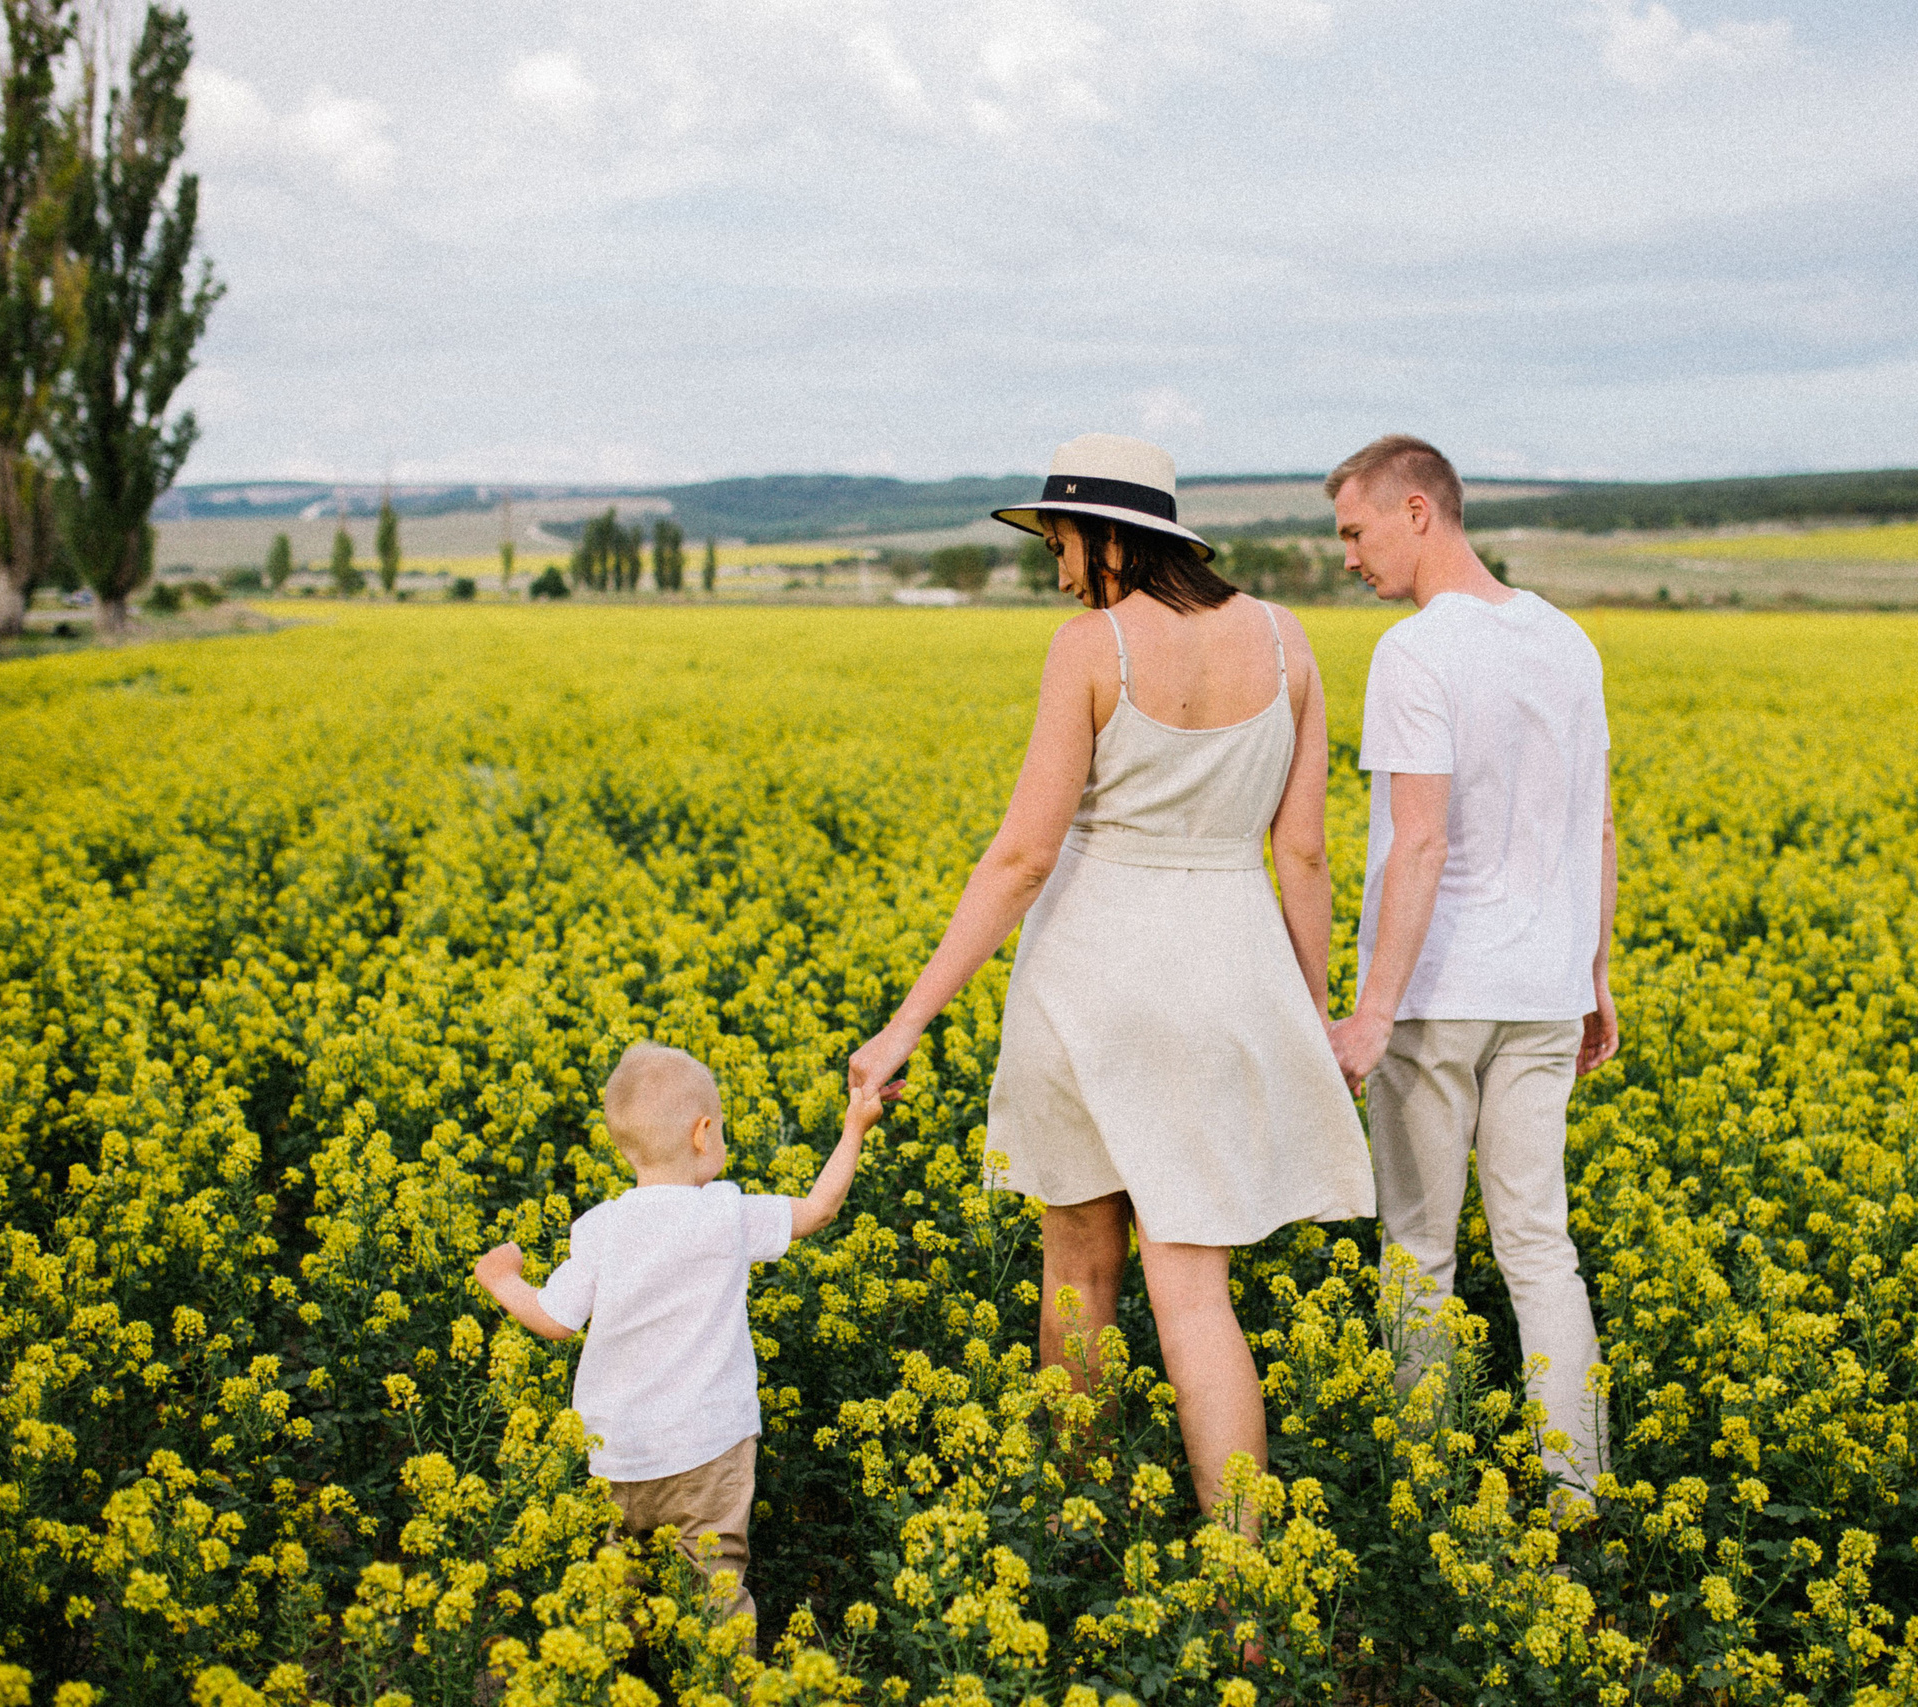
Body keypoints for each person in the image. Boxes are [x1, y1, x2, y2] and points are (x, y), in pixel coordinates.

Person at [847, 433, 1373, 1523]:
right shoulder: (1287, 642)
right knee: (1195, 1296)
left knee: (1078, 1275)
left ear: (1104, 535)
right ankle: (1247, 1592)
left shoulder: (1090, 646)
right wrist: (1309, 1015)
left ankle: (1073, 1529)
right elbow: (1308, 855)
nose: (1053, 561)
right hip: (1230, 974)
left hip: (1092, 981)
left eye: (1057, 537)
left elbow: (1022, 858)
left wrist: (903, 1026)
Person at [1323, 433, 1620, 1501]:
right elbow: (1596, 826)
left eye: (1354, 531)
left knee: (1419, 1249)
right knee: (1541, 1247)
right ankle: (1577, 1490)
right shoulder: (1567, 641)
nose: (1346, 558)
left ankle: (1431, 1484)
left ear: (1416, 512)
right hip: (1542, 991)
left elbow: (1422, 843)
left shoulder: (1415, 652)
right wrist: (1592, 975)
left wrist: (1372, 1013)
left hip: (1443, 995)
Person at [472, 1041, 899, 1630]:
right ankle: (723, 1684)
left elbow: (554, 1320)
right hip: (709, 1452)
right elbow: (820, 1209)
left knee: (615, 1592)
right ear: (703, 1134)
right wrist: (855, 1126)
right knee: (715, 1592)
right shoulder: (725, 1213)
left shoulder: (599, 1229)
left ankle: (615, 1680)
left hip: (616, 1455)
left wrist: (501, 1279)